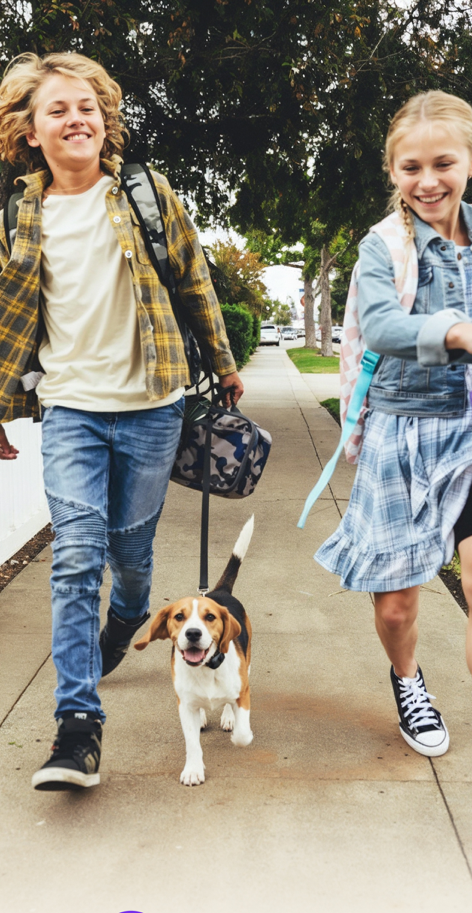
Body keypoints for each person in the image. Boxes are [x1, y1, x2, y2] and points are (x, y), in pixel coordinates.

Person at [0, 51, 243, 791]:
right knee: (76, 558)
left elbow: (194, 278)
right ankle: (78, 728)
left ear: (105, 120)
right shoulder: (18, 213)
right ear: (31, 132)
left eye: (88, 107)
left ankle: (127, 617)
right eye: (57, 110)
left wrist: (223, 361)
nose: (76, 119)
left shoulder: (144, 192)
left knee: (131, 563)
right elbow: (6, 319)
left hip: (152, 407)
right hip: (71, 409)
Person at [316, 90, 472, 758]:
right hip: (403, 431)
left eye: (444, 163)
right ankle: (408, 679)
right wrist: (457, 331)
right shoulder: (384, 247)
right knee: (396, 607)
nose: (428, 181)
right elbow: (379, 325)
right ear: (393, 171)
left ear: (468, 161)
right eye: (412, 167)